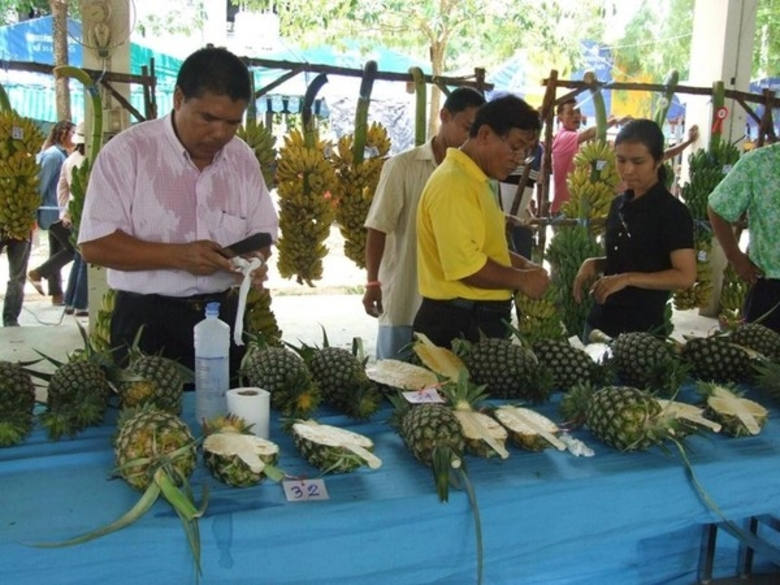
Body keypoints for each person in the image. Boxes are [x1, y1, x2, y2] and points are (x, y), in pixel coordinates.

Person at [78, 46, 278, 377]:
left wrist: (254, 260)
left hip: (224, 318)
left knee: (229, 422)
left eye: (232, 122)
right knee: (151, 425)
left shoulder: (241, 158)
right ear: (179, 99)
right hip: (146, 323)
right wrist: (176, 256)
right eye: (208, 118)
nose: (220, 133)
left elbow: (262, 232)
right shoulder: (127, 154)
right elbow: (94, 245)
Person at [413, 94, 550, 348]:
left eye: (527, 153)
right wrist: (521, 280)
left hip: (477, 319)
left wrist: (525, 265)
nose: (519, 159)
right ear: (485, 134)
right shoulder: (454, 184)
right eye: (515, 147)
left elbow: (487, 248)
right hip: (457, 326)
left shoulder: (478, 179)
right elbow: (467, 267)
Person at [362, 87, 486, 360]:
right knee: (393, 385)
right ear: (444, 116)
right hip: (405, 300)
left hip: (452, 308)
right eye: (467, 127)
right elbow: (378, 227)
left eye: (477, 132)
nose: (471, 138)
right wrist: (372, 282)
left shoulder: (474, 177)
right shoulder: (402, 167)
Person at [573, 119, 696, 338]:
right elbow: (632, 256)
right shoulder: (618, 204)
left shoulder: (672, 212)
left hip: (641, 334)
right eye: (621, 160)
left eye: (638, 161)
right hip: (599, 324)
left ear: (658, 161)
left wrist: (627, 279)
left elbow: (685, 276)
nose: (628, 170)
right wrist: (595, 263)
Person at [708, 141, 780, 333]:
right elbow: (718, 208)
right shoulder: (759, 162)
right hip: (771, 289)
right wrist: (736, 257)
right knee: (762, 359)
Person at [550, 99, 629, 216]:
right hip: (566, 208)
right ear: (560, 117)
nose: (576, 116)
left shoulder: (581, 143)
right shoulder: (563, 137)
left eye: (578, 112)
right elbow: (589, 133)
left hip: (583, 207)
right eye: (570, 113)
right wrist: (614, 121)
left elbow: (594, 163)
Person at [28, 119, 75, 305]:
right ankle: (38, 273)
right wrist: (32, 215)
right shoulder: (53, 156)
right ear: (63, 134)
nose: (75, 137)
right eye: (72, 133)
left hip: (58, 212)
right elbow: (39, 186)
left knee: (56, 251)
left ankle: (57, 295)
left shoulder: (63, 155)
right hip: (52, 212)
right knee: (73, 249)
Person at [57, 122, 89, 317]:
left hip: (73, 213)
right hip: (82, 213)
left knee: (79, 258)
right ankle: (81, 303)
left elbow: (61, 189)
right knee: (86, 258)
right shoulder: (85, 161)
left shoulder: (70, 160)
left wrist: (63, 213)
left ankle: (70, 300)